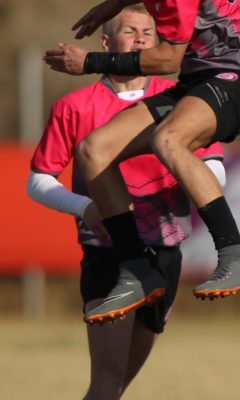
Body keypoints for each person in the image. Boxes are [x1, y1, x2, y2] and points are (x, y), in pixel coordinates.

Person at [28, 6, 225, 398]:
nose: (141, 38)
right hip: (108, 253)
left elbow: (215, 169)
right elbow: (38, 180)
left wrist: (189, 182)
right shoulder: (75, 106)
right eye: (130, 31)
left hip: (166, 252)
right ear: (106, 43)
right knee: (107, 378)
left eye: (149, 32)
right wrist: (85, 207)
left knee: (116, 386)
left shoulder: (181, 101)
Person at [43, 0, 240, 323]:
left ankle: (234, 255)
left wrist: (90, 61)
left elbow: (167, 59)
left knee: (168, 139)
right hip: (197, 82)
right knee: (94, 149)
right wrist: (113, 6)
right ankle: (135, 270)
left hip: (234, 78)